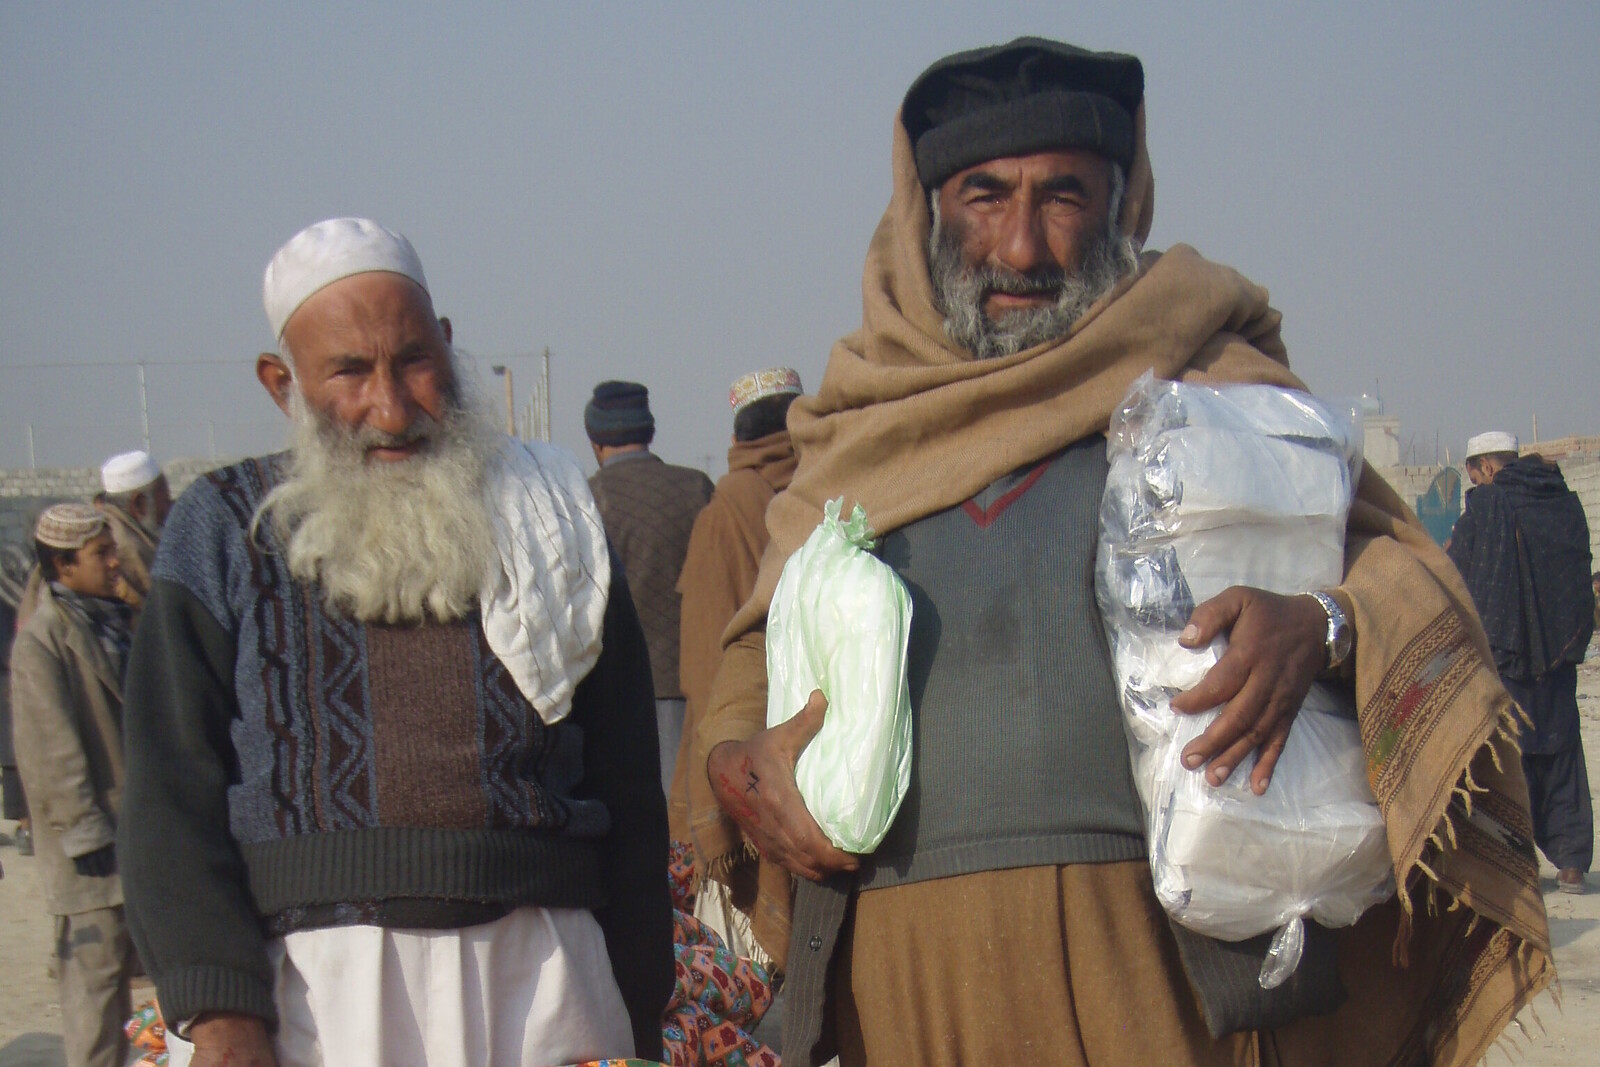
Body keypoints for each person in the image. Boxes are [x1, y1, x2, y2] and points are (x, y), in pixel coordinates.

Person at [693, 37, 1551, 1067]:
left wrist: (1318, 624)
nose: (1021, 248)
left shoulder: (1212, 380)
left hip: (1155, 971)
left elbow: (1408, 579)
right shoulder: (860, 423)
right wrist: (734, 760)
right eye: (982, 197)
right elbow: (749, 650)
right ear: (923, 213)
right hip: (904, 972)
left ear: (1121, 202)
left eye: (1062, 196)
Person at [118, 217, 672, 1067]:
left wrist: (640, 998)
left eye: (414, 360)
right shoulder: (221, 528)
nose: (391, 405)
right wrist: (225, 1015)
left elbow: (628, 781)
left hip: (548, 981)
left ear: (446, 349)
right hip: (318, 996)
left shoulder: (553, 518)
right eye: (348, 371)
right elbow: (168, 792)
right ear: (282, 383)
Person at [670, 367, 802, 953]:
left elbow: (703, 665)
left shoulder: (721, 515)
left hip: (737, 756)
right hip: (818, 751)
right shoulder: (832, 491)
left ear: (740, 435)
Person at [10, 503, 138, 1067]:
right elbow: (51, 751)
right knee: (96, 1009)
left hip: (140, 841)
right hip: (93, 858)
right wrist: (86, 835)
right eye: (101, 554)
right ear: (64, 567)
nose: (115, 563)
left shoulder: (116, 622)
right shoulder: (43, 641)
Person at [1448, 431, 1594, 894]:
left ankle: (1516, 861)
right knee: (1561, 749)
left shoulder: (1487, 509)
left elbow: (1461, 574)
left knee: (1511, 757)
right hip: (1559, 652)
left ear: (1487, 467)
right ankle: (1571, 863)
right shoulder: (1563, 501)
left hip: (1506, 653)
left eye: (1475, 475)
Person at [585, 380, 714, 795]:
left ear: (595, 441)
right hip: (694, 685)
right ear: (649, 432)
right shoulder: (696, 488)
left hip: (614, 693)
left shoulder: (588, 498)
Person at [97, 450, 173, 610]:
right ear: (139, 504)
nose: (170, 508)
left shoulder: (109, 523)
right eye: (165, 500)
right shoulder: (127, 546)